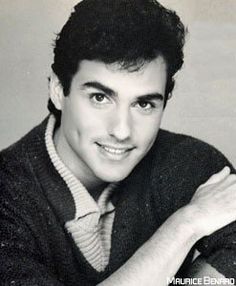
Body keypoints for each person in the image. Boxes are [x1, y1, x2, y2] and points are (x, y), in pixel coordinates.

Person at [0, 0, 236, 285]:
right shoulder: (6, 193)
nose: (122, 130)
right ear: (58, 90)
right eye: (100, 98)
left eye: (144, 104)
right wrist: (184, 225)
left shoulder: (189, 163)